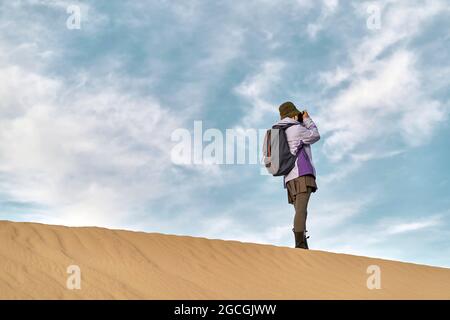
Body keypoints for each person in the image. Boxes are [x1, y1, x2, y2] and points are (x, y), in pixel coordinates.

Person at [275, 101, 320, 249]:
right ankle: (300, 247)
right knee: (301, 211)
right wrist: (306, 119)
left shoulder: (280, 131)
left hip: (288, 178)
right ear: (294, 114)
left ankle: (302, 245)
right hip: (301, 174)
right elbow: (315, 135)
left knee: (299, 211)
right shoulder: (296, 129)